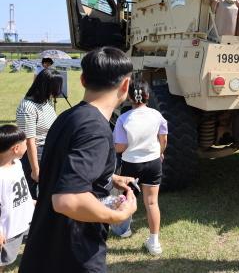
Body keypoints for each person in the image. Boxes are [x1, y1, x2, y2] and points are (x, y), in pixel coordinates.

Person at [19, 47, 138, 273]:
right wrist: (117, 215)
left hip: (44, 251)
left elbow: (63, 168)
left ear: (83, 80)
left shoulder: (68, 117)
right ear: (125, 86)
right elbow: (67, 199)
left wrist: (108, 177)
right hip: (73, 256)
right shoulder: (95, 129)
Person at [113, 79, 168, 255]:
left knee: (127, 197)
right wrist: (160, 151)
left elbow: (120, 147)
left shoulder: (123, 118)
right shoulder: (157, 115)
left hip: (131, 164)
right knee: (152, 202)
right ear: (148, 96)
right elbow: (164, 139)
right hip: (153, 162)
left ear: (129, 97)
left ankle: (123, 230)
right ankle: (154, 242)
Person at [16, 68, 63, 199]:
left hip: (47, 152)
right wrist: (35, 170)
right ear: (47, 86)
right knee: (33, 198)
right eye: (56, 87)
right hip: (35, 156)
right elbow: (30, 141)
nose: (58, 91)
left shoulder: (45, 102)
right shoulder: (28, 107)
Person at [0, 125, 34, 270]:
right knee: (2, 261)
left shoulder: (18, 164)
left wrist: (31, 202)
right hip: (8, 230)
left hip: (24, 221)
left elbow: (21, 189)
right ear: (15, 149)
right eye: (25, 144)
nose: (28, 146)